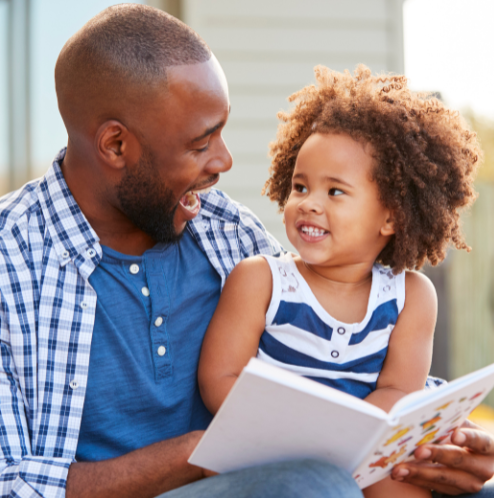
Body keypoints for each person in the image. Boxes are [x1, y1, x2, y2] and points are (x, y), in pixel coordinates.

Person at [0, 5, 494, 498]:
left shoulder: (224, 231)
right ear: (116, 146)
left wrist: (436, 435)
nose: (226, 161)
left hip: (283, 481)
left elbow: (337, 349)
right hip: (259, 487)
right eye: (200, 142)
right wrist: (208, 451)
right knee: (310, 486)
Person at [197, 66, 479, 498]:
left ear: (392, 216)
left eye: (335, 192)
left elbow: (399, 389)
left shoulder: (411, 296)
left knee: (399, 480)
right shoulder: (261, 281)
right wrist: (298, 432)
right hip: (266, 451)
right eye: (300, 186)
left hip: (361, 447)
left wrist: (344, 436)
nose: (309, 204)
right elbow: (220, 377)